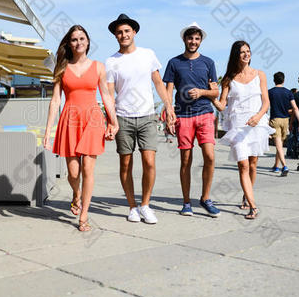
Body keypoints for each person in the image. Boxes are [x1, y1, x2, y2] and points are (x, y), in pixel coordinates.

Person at [43, 25, 118, 232]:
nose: (79, 43)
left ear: (87, 42)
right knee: (73, 173)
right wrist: (48, 130)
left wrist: (114, 121)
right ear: (69, 43)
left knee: (88, 170)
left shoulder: (99, 67)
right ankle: (76, 194)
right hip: (70, 120)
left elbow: (106, 97)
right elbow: (56, 100)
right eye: (74, 39)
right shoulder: (61, 68)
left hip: (93, 120)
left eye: (82, 38)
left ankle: (84, 215)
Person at [105, 14, 175, 224]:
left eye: (127, 31)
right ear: (115, 36)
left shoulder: (148, 55)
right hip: (123, 118)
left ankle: (145, 204)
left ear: (134, 32)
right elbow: (108, 94)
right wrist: (111, 120)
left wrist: (169, 107)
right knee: (125, 164)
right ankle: (132, 207)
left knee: (149, 162)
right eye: (119, 32)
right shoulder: (111, 62)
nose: (123, 35)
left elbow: (158, 83)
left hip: (147, 116)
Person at [210, 40, 274, 219]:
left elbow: (266, 101)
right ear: (236, 55)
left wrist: (258, 116)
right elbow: (222, 106)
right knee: (243, 165)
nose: (246, 54)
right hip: (237, 127)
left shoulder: (260, 74)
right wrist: (211, 97)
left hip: (257, 125)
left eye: (248, 51)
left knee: (253, 165)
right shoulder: (228, 78)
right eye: (242, 52)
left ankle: (247, 195)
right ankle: (254, 206)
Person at [163, 22, 220, 217]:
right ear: (184, 39)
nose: (193, 41)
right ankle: (186, 202)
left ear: (200, 40)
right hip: (183, 116)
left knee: (210, 157)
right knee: (186, 161)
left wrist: (201, 92)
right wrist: (169, 114)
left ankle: (205, 198)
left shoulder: (208, 63)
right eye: (190, 38)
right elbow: (168, 91)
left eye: (197, 38)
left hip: (205, 112)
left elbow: (215, 91)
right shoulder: (174, 63)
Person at [268, 72, 299, 177]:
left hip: (275, 120)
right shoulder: (288, 92)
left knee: (278, 145)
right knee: (280, 145)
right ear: (283, 80)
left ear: (274, 80)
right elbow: (295, 108)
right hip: (285, 121)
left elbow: (265, 106)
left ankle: (284, 166)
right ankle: (276, 165)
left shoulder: (270, 92)